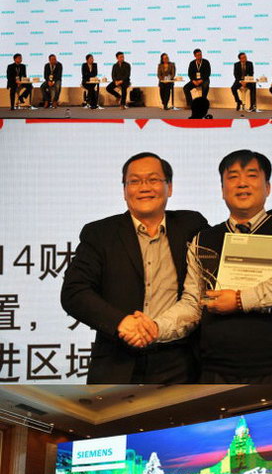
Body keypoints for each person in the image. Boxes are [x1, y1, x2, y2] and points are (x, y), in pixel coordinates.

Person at [151, 149, 272, 382]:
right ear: (222, 189)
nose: (242, 183)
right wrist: (155, 327)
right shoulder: (203, 239)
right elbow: (193, 304)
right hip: (214, 369)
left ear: (268, 187)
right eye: (233, 177)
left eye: (252, 175)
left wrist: (239, 300)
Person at [60, 152, 208, 383]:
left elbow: (227, 240)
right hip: (117, 360)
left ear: (169, 187)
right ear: (124, 190)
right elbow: (74, 292)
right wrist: (121, 322)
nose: (144, 187)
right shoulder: (100, 234)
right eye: (135, 181)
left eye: (153, 179)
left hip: (179, 361)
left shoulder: (191, 225)